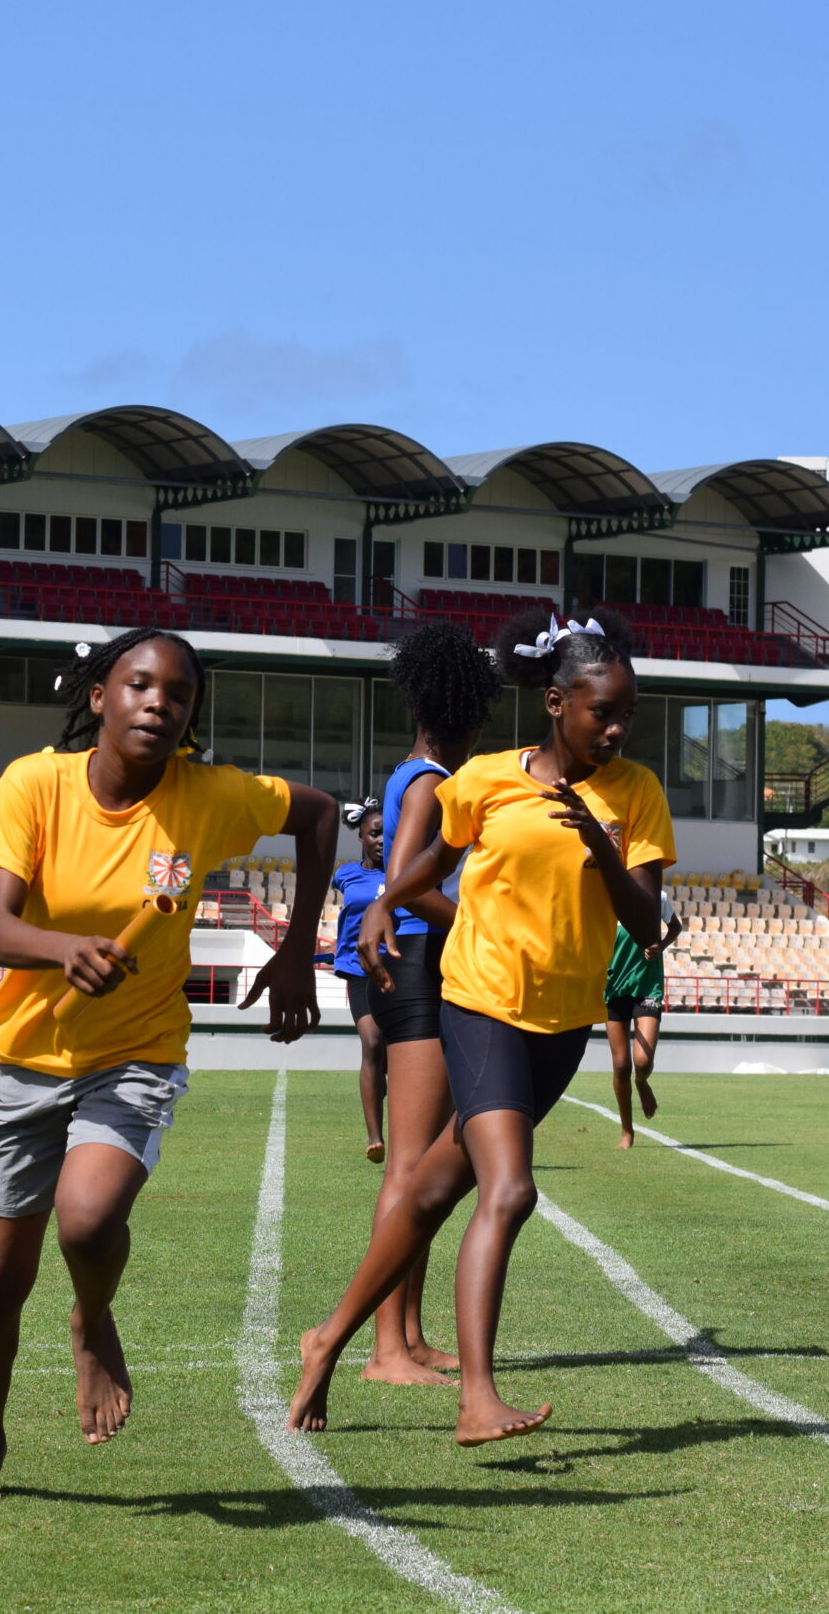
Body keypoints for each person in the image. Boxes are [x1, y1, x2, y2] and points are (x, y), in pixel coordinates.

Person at [0, 627, 335, 1505]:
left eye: (179, 693)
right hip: (27, 1057)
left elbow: (316, 814)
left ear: (191, 715)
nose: (159, 701)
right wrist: (61, 948)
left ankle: (93, 1318)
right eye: (140, 685)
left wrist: (301, 946)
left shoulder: (211, 796)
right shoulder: (34, 783)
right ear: (100, 698)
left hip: (138, 1050)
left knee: (86, 1219)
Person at [292, 608, 671, 1445]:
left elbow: (644, 923)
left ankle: (327, 1338)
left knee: (435, 1184)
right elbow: (431, 859)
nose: (615, 726)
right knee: (511, 1188)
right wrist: (385, 902)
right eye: (600, 710)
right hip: (482, 1000)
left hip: (565, 1019)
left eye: (626, 714)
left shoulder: (635, 792)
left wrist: (598, 842)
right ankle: (478, 1396)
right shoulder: (489, 778)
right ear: (556, 703)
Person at [354, 620, 503, 1386]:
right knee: (411, 1164)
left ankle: (408, 1335)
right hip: (417, 964)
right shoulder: (428, 781)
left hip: (425, 964)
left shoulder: (419, 772)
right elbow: (406, 881)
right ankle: (385, 1347)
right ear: (469, 712)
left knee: (425, 1164)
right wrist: (488, 922)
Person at [332, 799, 389, 1163]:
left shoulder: (404, 871)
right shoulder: (346, 874)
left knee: (400, 1055)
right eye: (374, 833)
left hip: (402, 970)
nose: (382, 839)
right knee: (372, 1042)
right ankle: (374, 1137)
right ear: (362, 838)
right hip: (358, 969)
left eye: (387, 832)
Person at [603, 912, 681, 1148]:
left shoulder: (658, 896)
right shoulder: (606, 898)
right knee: (621, 1066)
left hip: (648, 986)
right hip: (613, 986)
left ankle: (641, 1081)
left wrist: (661, 946)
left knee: (643, 1061)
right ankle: (627, 1132)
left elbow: (675, 926)